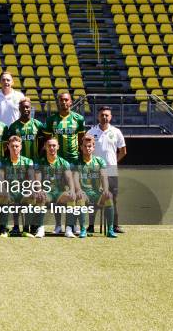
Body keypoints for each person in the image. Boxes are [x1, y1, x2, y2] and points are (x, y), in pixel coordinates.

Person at [86, 106, 126, 234]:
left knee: (112, 198)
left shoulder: (116, 132)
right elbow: (86, 151)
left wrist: (113, 163)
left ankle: (115, 225)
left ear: (111, 117)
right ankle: (91, 226)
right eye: (102, 115)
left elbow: (123, 151)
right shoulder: (91, 132)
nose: (104, 117)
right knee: (93, 198)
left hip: (111, 170)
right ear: (98, 116)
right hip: (95, 170)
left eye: (107, 115)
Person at [73, 135, 117, 238]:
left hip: (96, 193)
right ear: (81, 147)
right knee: (80, 197)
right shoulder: (77, 162)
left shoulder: (99, 161)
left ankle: (110, 230)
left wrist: (105, 190)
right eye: (85, 146)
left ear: (93, 147)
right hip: (84, 193)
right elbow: (75, 178)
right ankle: (83, 229)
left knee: (109, 196)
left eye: (89, 146)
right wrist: (79, 190)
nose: (87, 148)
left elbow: (104, 177)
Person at [34, 138, 76, 238]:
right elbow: (37, 179)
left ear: (58, 147)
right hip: (47, 193)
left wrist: (72, 190)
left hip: (59, 193)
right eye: (49, 145)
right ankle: (40, 228)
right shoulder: (40, 162)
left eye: (54, 145)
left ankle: (69, 229)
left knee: (71, 197)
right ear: (45, 147)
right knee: (40, 197)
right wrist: (39, 190)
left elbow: (69, 178)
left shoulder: (64, 163)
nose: (52, 148)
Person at [0, 136, 36, 237]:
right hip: (9, 191)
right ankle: (5, 229)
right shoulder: (2, 162)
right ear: (8, 147)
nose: (15, 148)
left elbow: (31, 178)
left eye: (17, 146)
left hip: (23, 190)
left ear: (21, 147)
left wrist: (31, 190)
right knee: (4, 196)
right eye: (12, 146)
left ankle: (26, 229)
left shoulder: (28, 162)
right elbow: (1, 180)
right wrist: (4, 191)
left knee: (31, 197)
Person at [43, 92, 85, 164]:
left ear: (71, 102)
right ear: (58, 102)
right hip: (57, 158)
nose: (64, 102)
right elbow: (47, 140)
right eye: (61, 100)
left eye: (66, 100)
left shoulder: (79, 119)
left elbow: (81, 139)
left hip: (74, 158)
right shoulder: (51, 119)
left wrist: (81, 156)